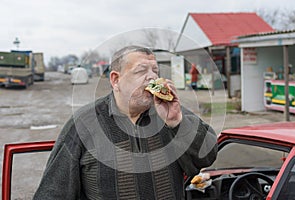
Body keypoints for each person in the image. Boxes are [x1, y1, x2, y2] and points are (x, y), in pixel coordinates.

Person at [33, 46, 217, 200]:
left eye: (155, 71)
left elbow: (207, 156)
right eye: (141, 71)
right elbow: (53, 193)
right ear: (115, 80)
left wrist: (176, 121)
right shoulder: (84, 124)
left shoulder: (170, 113)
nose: (152, 77)